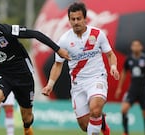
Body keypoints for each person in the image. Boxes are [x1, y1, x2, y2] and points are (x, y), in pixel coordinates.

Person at [42, 2, 119, 135]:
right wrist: (50, 84)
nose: (76, 22)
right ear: (69, 20)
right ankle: (103, 123)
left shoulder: (97, 34)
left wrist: (113, 66)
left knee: (95, 110)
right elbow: (58, 64)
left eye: (79, 18)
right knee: (84, 125)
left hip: (96, 78)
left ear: (85, 19)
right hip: (78, 84)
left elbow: (110, 54)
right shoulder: (64, 40)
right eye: (73, 19)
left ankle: (98, 117)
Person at [115, 40, 145, 135]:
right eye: (134, 45)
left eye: (138, 45)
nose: (136, 47)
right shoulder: (129, 59)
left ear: (141, 47)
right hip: (133, 89)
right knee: (124, 109)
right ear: (131, 47)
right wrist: (119, 88)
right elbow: (124, 72)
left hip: (144, 89)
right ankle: (125, 132)